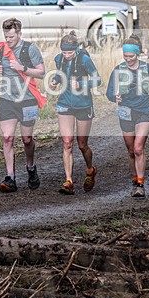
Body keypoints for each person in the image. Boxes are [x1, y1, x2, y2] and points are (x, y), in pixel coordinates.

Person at [105, 35, 149, 198]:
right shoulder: (118, 69)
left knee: (139, 148)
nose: (128, 59)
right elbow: (109, 90)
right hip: (125, 112)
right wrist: (113, 97)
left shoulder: (147, 68)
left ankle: (140, 183)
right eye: (125, 56)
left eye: (131, 56)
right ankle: (134, 179)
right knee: (131, 150)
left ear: (137, 54)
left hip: (144, 110)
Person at [0, 18, 47, 193]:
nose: (8, 40)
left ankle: (31, 168)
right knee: (8, 137)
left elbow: (41, 72)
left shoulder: (30, 49)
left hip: (27, 100)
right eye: (6, 36)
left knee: (26, 140)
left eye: (11, 37)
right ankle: (10, 178)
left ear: (19, 34)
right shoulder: (1, 48)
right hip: (7, 99)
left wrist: (22, 68)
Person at [48, 31, 101, 195]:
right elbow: (60, 72)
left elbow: (97, 79)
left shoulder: (84, 59)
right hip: (65, 103)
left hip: (83, 104)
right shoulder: (59, 59)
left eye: (69, 52)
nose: (67, 55)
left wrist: (81, 83)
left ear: (76, 50)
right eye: (64, 52)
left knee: (82, 145)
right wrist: (55, 81)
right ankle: (68, 181)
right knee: (67, 143)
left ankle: (90, 170)